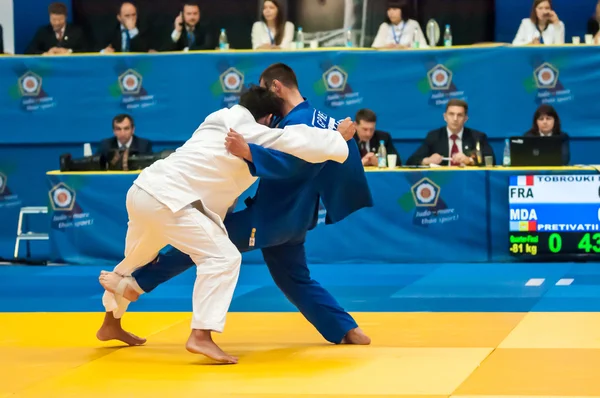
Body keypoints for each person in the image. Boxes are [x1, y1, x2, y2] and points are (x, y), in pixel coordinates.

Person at [99, 63, 374, 347]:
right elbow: (343, 156)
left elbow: (295, 163)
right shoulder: (322, 119)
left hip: (270, 218)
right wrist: (337, 183)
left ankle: (136, 285)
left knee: (197, 246)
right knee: (294, 279)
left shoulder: (294, 123)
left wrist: (249, 151)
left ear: (275, 88)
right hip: (296, 217)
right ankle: (345, 328)